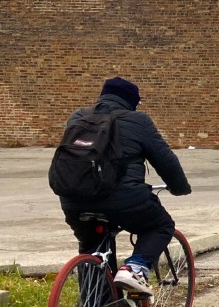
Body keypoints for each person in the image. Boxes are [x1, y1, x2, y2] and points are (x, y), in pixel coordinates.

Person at [56, 77, 192, 295]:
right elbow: (166, 161)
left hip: (73, 200)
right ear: (131, 102)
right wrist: (179, 187)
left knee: (92, 245)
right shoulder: (138, 121)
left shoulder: (78, 117)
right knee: (161, 225)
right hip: (122, 200)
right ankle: (135, 268)